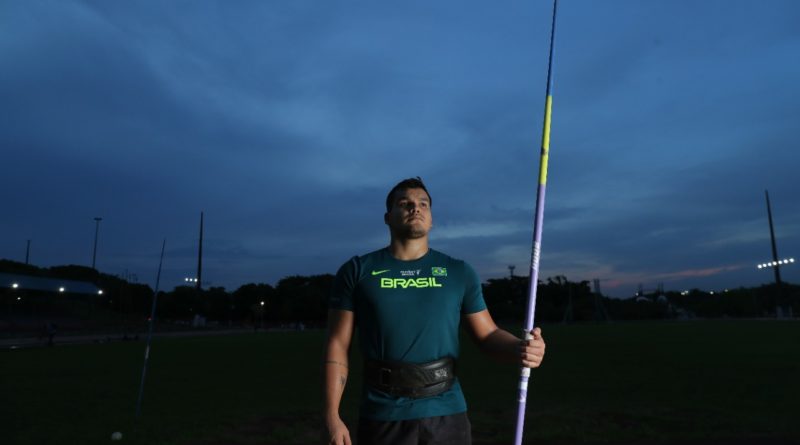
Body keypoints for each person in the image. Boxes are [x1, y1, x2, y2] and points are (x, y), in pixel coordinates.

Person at [323, 177, 546, 445]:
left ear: (431, 219)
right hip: (383, 413)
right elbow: (337, 344)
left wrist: (520, 348)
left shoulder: (458, 272)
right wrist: (332, 416)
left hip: (447, 414)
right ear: (387, 216)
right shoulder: (358, 270)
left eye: (423, 204)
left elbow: (487, 336)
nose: (415, 208)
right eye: (404, 203)